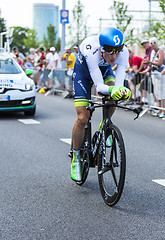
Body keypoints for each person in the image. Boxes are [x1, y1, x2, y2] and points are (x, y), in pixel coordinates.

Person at [70, 27, 131, 182]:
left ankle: (104, 127)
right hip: (83, 74)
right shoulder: (91, 49)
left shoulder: (123, 53)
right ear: (101, 48)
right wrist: (112, 89)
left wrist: (121, 90)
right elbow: (99, 87)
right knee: (82, 117)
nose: (114, 56)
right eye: (110, 51)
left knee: (114, 96)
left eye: (117, 51)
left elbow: (118, 82)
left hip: (104, 72)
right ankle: (76, 157)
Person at [144, 37, 165, 118]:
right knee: (157, 92)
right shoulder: (152, 52)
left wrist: (150, 62)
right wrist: (146, 70)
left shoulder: (161, 51)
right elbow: (151, 64)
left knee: (162, 92)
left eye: (154, 42)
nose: (153, 44)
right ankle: (159, 109)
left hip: (161, 74)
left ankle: (163, 110)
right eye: (151, 43)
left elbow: (159, 63)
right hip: (154, 74)